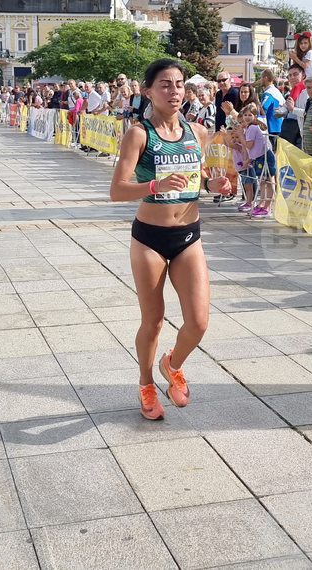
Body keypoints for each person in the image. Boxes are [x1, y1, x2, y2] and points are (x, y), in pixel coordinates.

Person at [109, 58, 233, 420]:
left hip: (188, 236)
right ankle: (146, 384)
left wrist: (213, 185)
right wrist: (154, 186)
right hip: (149, 238)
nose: (174, 91)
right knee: (155, 320)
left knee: (198, 322)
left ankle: (172, 364)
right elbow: (117, 190)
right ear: (148, 90)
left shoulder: (198, 132)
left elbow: (200, 177)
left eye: (179, 84)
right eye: (165, 84)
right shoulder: (139, 134)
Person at [280, 64, 308, 147]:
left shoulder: (306, 92)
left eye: (295, 74)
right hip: (291, 133)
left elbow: (308, 113)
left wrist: (293, 109)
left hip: (301, 136)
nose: (292, 77)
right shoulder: (294, 92)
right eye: (290, 75)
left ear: (303, 75)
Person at [259, 69, 285, 145]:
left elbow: (263, 108)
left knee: (271, 153)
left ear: (265, 78)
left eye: (261, 78)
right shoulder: (277, 92)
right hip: (279, 126)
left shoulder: (268, 93)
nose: (260, 80)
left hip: (271, 128)